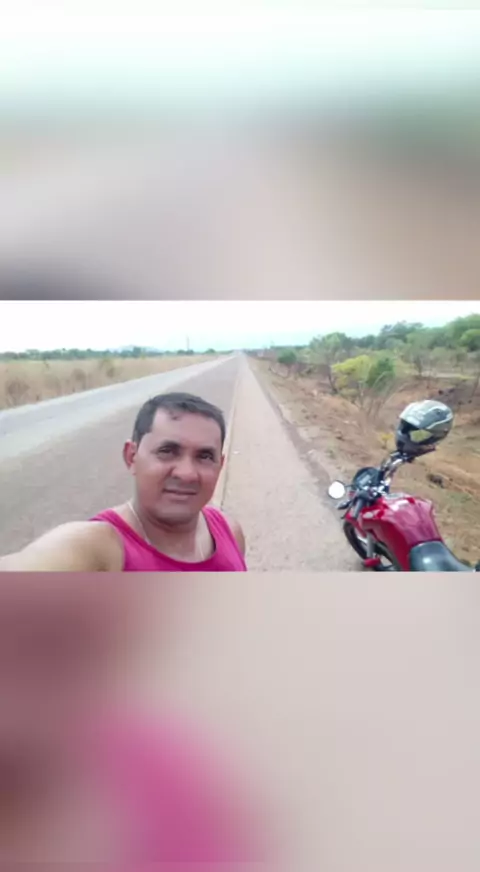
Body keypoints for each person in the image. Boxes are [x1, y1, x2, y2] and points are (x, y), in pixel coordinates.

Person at [0, 392, 246, 572]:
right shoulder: (97, 549)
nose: (187, 473)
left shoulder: (229, 531)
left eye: (205, 456)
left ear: (220, 465)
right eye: (167, 451)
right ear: (131, 457)